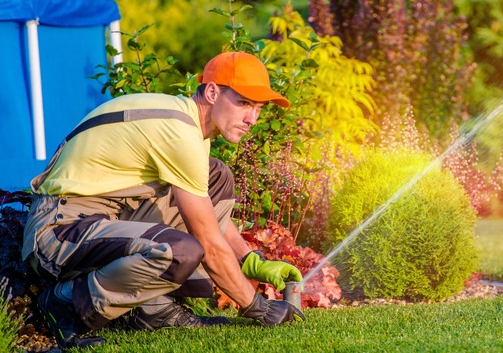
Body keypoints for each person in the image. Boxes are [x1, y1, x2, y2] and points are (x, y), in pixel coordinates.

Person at [22, 51, 305, 350]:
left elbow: (208, 218)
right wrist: (256, 307)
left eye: (258, 108)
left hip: (100, 220)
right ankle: (66, 302)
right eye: (244, 103)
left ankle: (151, 310)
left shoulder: (187, 125)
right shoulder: (180, 132)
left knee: (216, 177)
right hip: (58, 232)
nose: (252, 119)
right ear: (211, 92)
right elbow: (207, 242)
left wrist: (249, 261)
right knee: (180, 254)